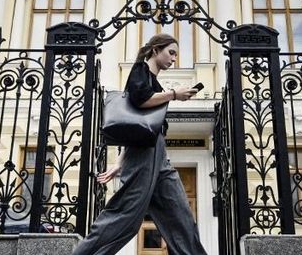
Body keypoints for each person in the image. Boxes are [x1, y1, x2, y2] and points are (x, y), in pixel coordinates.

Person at [73, 33, 208, 255]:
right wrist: (174, 94)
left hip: (157, 154)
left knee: (180, 215)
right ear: (155, 50)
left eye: (176, 55)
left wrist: (119, 162)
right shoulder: (140, 70)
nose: (174, 59)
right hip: (144, 154)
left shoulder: (155, 83)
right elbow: (140, 99)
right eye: (170, 52)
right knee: (125, 215)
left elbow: (139, 128)